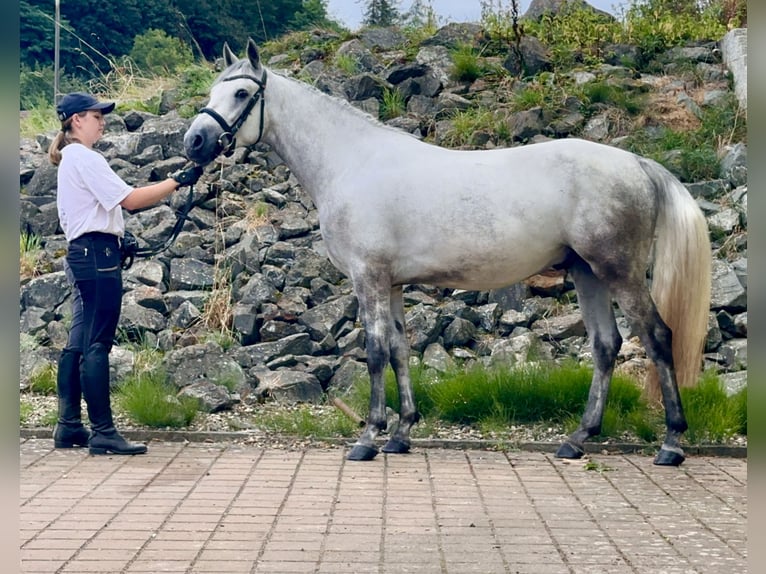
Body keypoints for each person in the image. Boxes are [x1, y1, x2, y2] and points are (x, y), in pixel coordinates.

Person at [48, 92, 204, 455]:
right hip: (97, 257)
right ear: (76, 121)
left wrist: (118, 232)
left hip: (83, 253)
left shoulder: (71, 160)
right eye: (95, 115)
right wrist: (177, 181)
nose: (102, 121)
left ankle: (69, 426)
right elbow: (131, 200)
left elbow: (91, 212)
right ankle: (103, 431)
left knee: (78, 341)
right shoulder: (85, 159)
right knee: (97, 343)